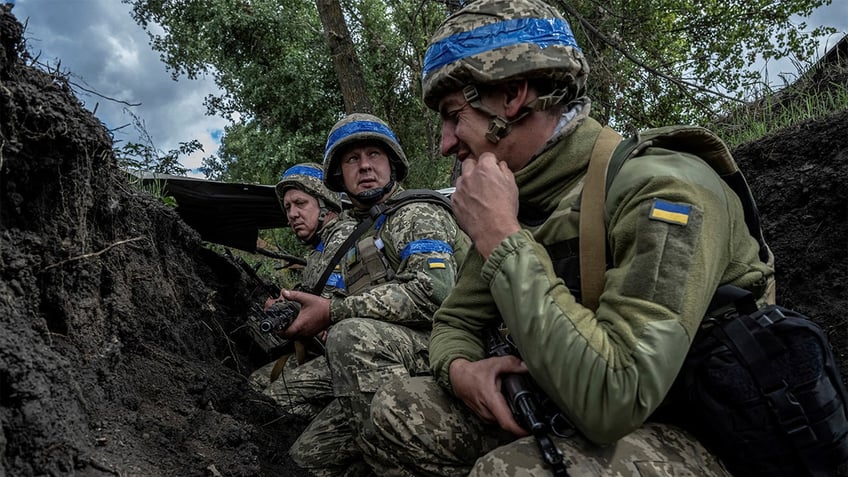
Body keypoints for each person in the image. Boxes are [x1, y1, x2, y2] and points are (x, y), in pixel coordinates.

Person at [361, 0, 776, 476]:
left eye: (454, 115)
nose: (446, 143)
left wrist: (502, 236)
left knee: (508, 472)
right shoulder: (521, 193)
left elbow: (613, 398)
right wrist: (462, 370)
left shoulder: (663, 188)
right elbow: (455, 321)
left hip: (706, 435)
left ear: (513, 95)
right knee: (399, 407)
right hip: (576, 407)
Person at [278, 113, 470, 476]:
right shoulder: (362, 235)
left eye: (374, 155)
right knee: (305, 459)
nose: (364, 165)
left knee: (350, 336)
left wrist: (332, 313)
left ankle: (396, 459)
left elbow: (435, 293)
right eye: (352, 159)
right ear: (339, 176)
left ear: (392, 163)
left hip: (453, 347)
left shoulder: (416, 213)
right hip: (398, 352)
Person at [247, 162, 354, 420]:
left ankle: (346, 420)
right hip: (321, 351)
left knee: (270, 403)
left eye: (300, 203)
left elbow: (335, 309)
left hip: (351, 355)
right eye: (287, 207)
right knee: (254, 384)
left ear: (325, 203)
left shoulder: (347, 240)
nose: (291, 215)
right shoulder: (319, 250)